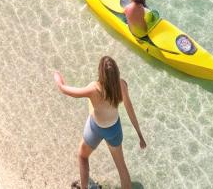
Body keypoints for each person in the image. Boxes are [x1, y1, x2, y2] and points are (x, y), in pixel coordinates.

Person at [53, 56, 146, 189]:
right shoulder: (121, 85)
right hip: (113, 130)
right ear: (117, 71)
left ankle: (84, 187)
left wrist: (58, 79)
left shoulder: (93, 89)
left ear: (101, 73)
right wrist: (140, 136)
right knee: (121, 167)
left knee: (82, 156)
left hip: (95, 128)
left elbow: (66, 90)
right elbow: (130, 110)